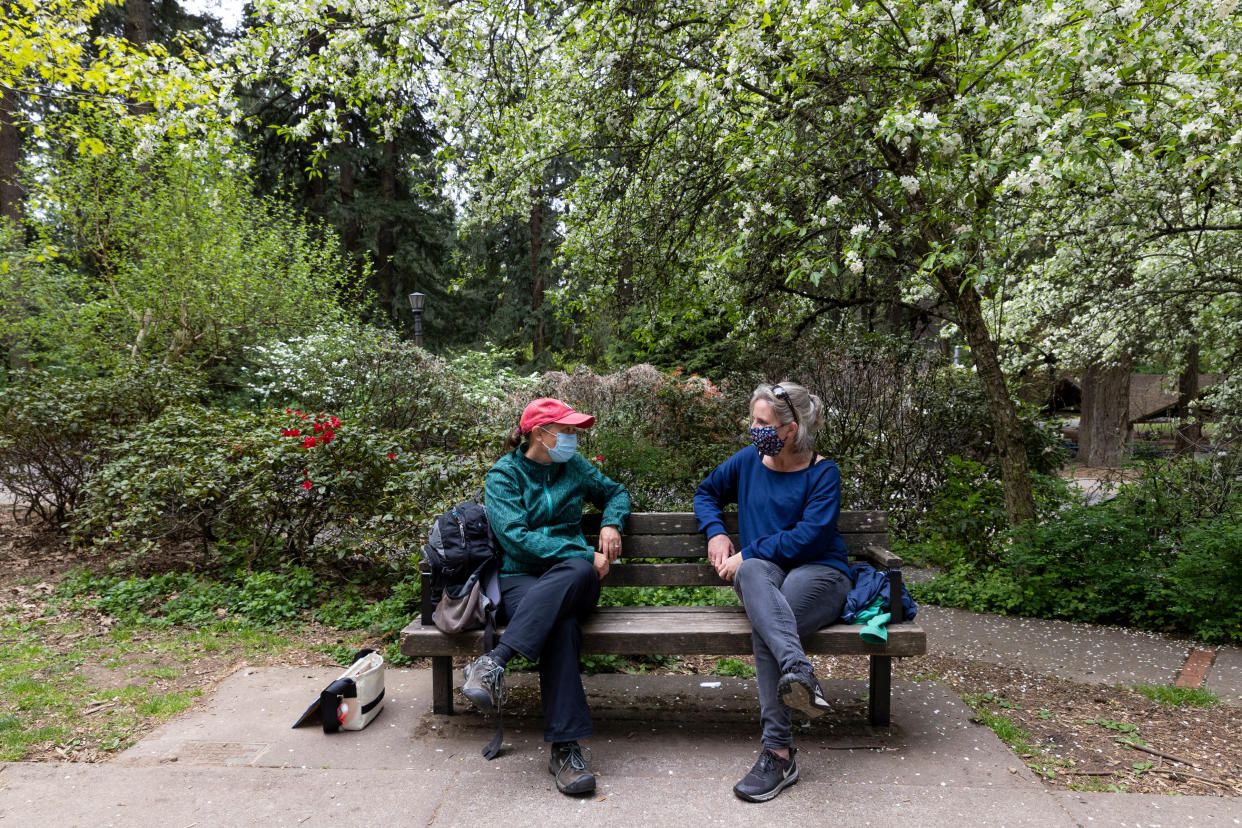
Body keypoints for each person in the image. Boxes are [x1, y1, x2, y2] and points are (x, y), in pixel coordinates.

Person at [460, 397, 630, 796]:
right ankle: (565, 750)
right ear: (540, 433)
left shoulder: (574, 467)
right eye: (567, 431)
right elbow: (515, 538)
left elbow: (617, 493)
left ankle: (494, 663)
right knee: (561, 625)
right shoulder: (504, 476)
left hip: (577, 578)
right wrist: (581, 552)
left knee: (576, 567)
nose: (574, 439)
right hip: (522, 579)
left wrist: (610, 523)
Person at [693, 381, 851, 802]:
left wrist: (748, 551)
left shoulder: (823, 473)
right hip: (764, 576)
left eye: (762, 422)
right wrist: (715, 533)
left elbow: (809, 539)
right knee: (754, 580)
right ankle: (798, 672)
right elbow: (706, 491)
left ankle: (778, 753)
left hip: (820, 573)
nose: (753, 428)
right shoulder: (748, 462)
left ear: (791, 428)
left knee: (768, 624)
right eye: (753, 419)